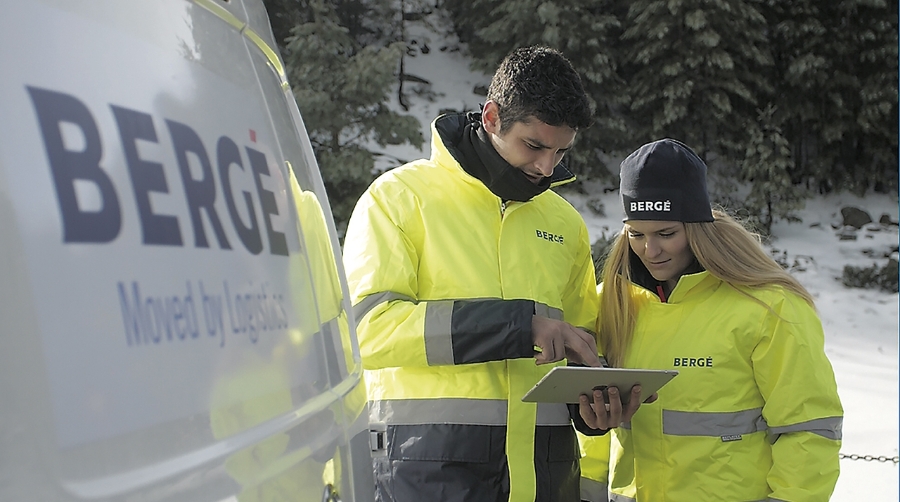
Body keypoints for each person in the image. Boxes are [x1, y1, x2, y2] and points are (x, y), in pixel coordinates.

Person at [342, 46, 644, 502]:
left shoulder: (565, 224)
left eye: (561, 151)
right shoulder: (399, 199)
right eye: (535, 145)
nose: (546, 168)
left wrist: (590, 410)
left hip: (547, 477)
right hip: (428, 475)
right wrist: (518, 327)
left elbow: (582, 343)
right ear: (491, 118)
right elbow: (367, 331)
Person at [579, 138, 843, 501]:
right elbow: (588, 434)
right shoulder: (610, 302)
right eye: (636, 234)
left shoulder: (768, 308)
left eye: (666, 234)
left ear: (697, 227)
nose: (649, 251)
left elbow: (809, 431)